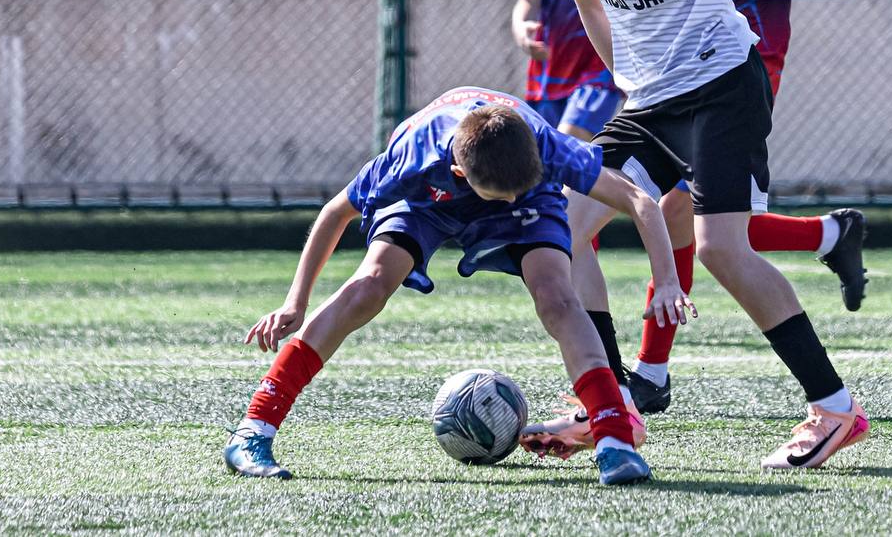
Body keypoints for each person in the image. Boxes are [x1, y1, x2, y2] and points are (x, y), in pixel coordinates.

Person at [493, 0, 870, 470]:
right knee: (561, 227)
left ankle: (834, 408)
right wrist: (626, 78)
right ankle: (609, 402)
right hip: (649, 102)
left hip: (724, 82)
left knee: (722, 249)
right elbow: (590, 5)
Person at [222, 86, 693, 486]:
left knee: (558, 298)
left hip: (530, 196)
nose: (510, 200)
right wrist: (295, 302)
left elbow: (638, 200)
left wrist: (668, 282)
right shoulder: (411, 159)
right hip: (426, 203)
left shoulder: (544, 146)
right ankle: (252, 432)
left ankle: (614, 440)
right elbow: (334, 213)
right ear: (460, 174)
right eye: (502, 194)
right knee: (369, 285)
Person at [627, 0, 869, 416]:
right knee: (698, 218)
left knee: (693, 217)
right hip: (680, 69)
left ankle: (650, 371)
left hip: (749, 70)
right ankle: (831, 235)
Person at [510, 0, 624, 144]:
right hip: (552, 67)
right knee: (547, 153)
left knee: (568, 141)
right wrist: (521, 29)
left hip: (602, 61)